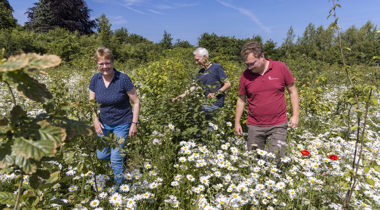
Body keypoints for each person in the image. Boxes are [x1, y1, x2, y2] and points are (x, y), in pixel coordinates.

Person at [234, 41, 299, 164]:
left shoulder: (280, 67)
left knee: (274, 163)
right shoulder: (245, 75)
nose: (249, 67)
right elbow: (241, 100)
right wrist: (237, 122)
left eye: (252, 64)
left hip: (278, 125)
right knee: (253, 163)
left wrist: (295, 115)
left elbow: (293, 91)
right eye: (246, 64)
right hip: (254, 126)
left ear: (262, 57)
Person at [89, 47, 140, 187]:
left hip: (122, 122)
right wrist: (95, 121)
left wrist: (134, 123)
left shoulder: (123, 79)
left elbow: (136, 102)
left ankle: (119, 190)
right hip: (104, 124)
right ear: (97, 64)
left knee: (115, 158)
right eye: (101, 63)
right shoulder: (95, 79)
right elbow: (91, 104)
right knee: (102, 156)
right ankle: (123, 155)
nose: (104, 67)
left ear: (112, 62)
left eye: (107, 63)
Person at [172, 47, 231, 118]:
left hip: (216, 103)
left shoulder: (217, 68)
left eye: (197, 60)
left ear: (205, 57)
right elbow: (194, 86)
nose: (196, 62)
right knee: (198, 117)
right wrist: (181, 96)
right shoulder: (201, 72)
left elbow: (227, 84)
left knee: (194, 112)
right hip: (206, 103)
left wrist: (215, 93)